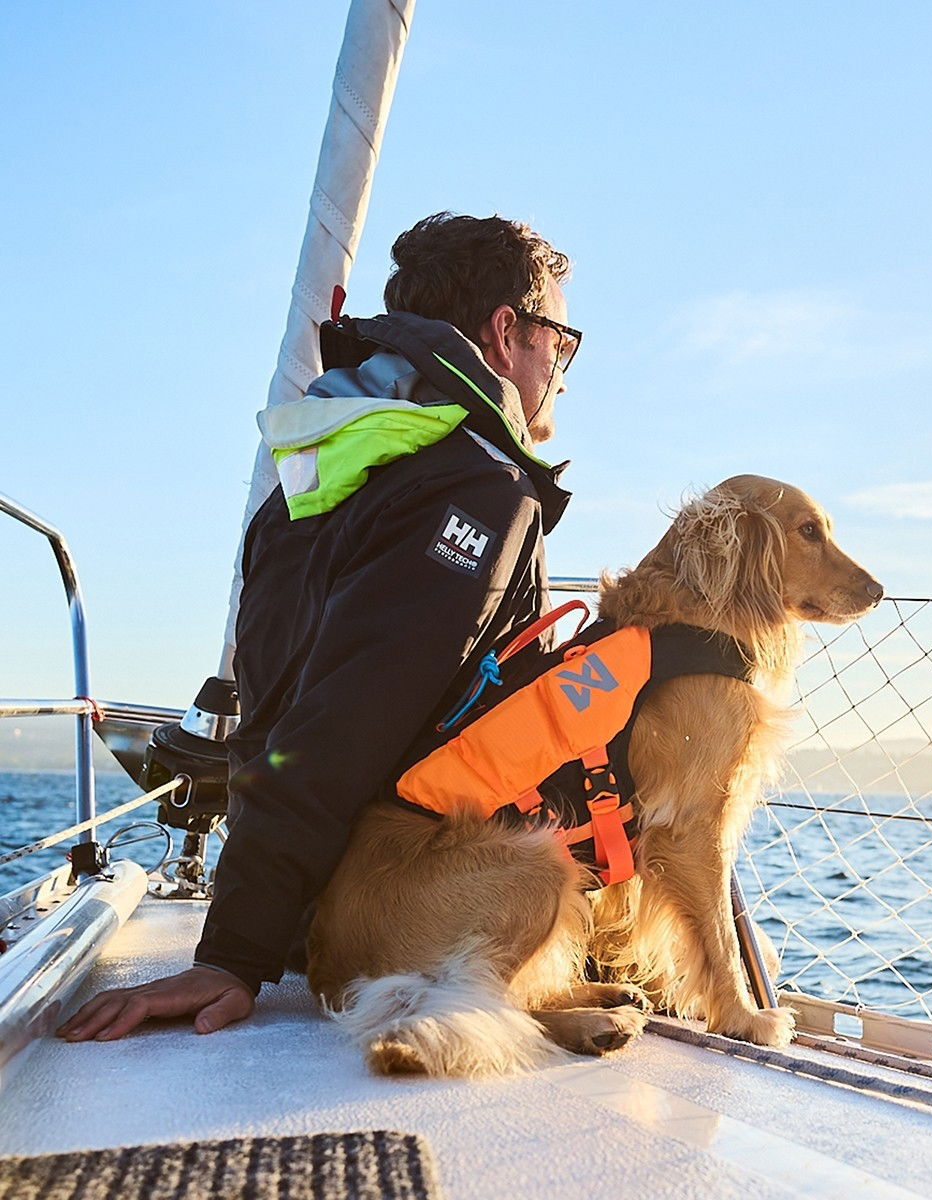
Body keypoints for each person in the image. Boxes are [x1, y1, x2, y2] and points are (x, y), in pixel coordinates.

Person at [59, 212, 579, 1041]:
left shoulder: (326, 465)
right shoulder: (476, 488)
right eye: (561, 337)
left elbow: (291, 704)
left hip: (320, 907)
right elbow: (346, 719)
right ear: (506, 329)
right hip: (397, 907)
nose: (562, 365)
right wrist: (231, 954)